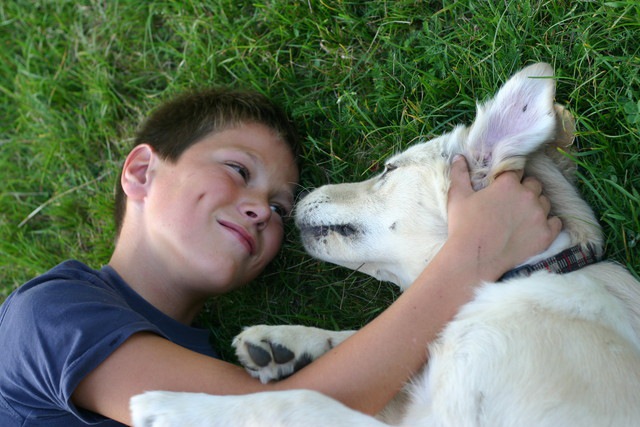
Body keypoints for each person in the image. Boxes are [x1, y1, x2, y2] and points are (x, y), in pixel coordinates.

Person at [0, 88, 561, 426]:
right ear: (143, 172)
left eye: (279, 206)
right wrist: (471, 256)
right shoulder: (48, 316)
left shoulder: (224, 362)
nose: (262, 211)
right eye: (238, 172)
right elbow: (274, 419)